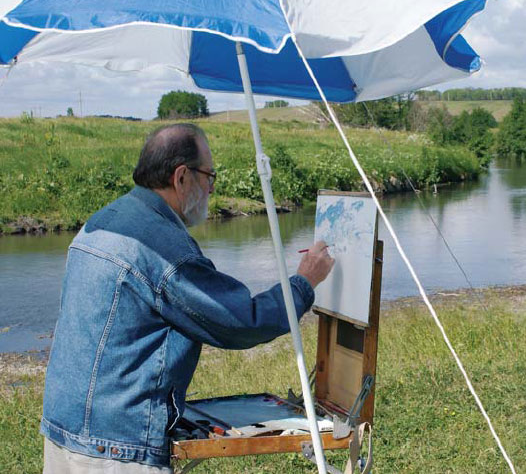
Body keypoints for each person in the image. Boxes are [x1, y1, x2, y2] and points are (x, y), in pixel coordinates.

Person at [40, 123, 334, 473]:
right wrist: (304, 282)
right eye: (209, 176)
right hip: (115, 447)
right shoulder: (163, 247)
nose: (212, 188)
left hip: (63, 429)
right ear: (181, 177)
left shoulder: (105, 220)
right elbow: (242, 321)